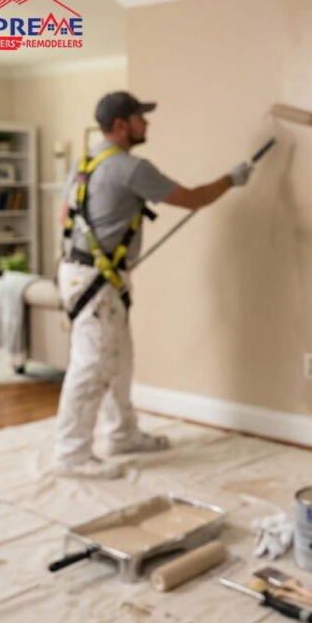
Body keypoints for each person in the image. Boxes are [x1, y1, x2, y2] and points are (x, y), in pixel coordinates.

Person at [52, 91, 252, 479]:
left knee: (119, 358)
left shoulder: (85, 163)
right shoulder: (131, 168)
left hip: (83, 273)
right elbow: (193, 199)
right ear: (122, 125)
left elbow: (64, 217)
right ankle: (71, 453)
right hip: (98, 280)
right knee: (91, 364)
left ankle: (121, 433)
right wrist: (232, 179)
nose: (147, 123)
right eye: (141, 118)